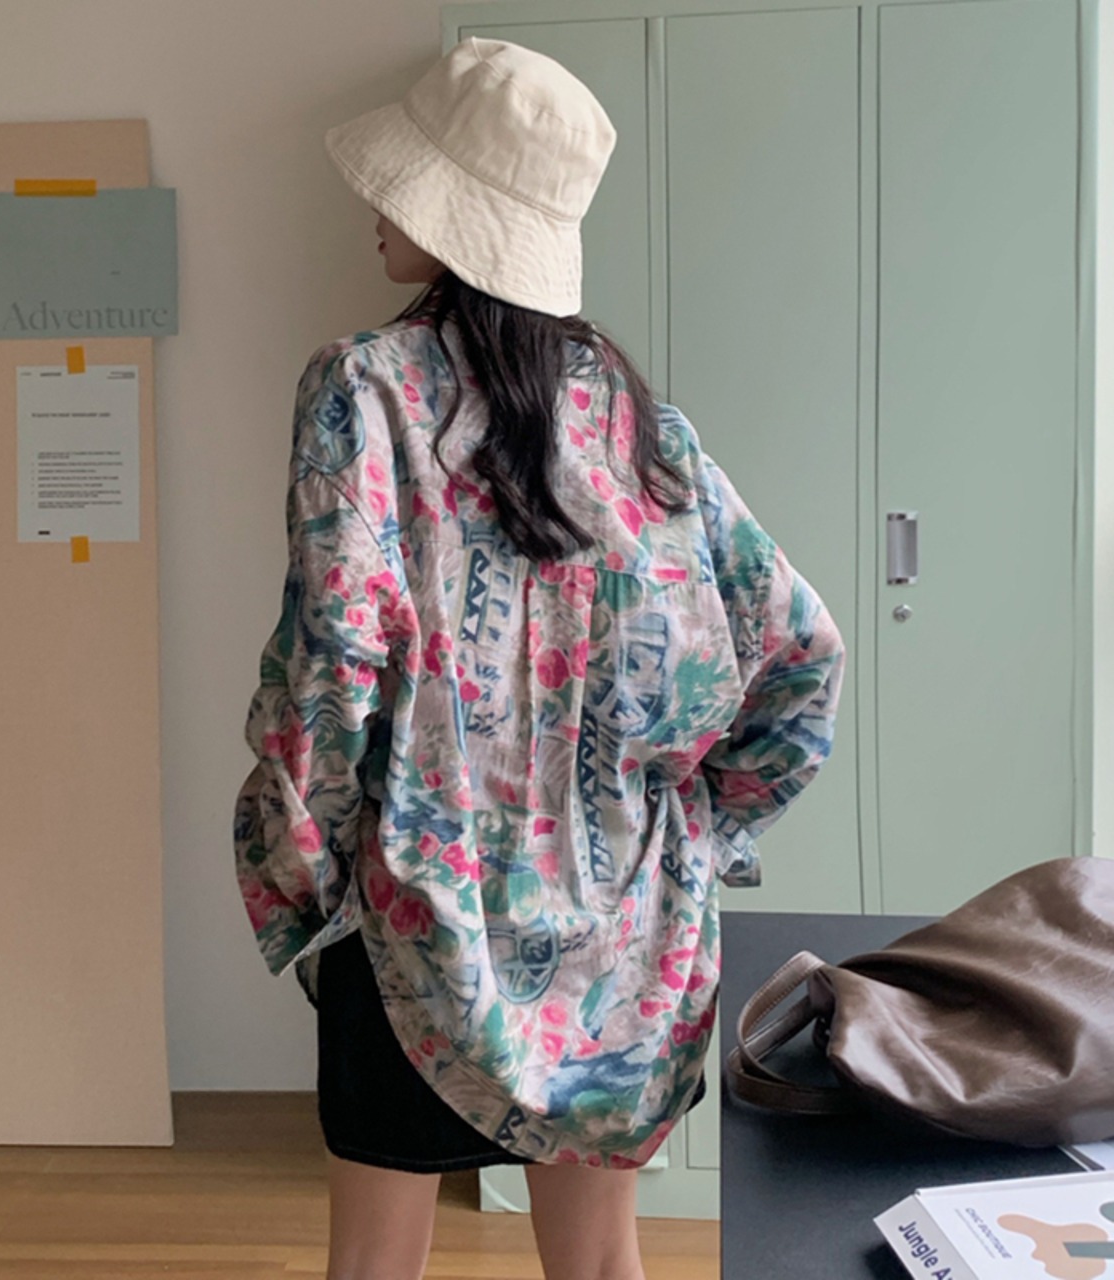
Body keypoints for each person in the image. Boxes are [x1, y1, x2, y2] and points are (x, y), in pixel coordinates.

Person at [232, 35, 846, 1280]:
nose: (374, 206)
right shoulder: (644, 429)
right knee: (602, 1268)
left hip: (415, 924)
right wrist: (691, 832)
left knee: (373, 1267)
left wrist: (301, 877)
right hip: (624, 940)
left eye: (401, 183)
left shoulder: (363, 389)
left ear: (449, 215)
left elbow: (330, 668)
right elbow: (803, 653)